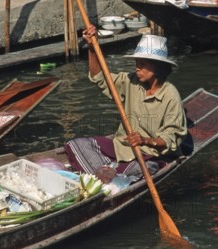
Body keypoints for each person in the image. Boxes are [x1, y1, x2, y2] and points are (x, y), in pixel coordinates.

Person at [64, 27, 188, 179]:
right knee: (76, 144)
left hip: (150, 155)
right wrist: (91, 47)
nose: (137, 68)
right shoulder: (131, 81)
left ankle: (107, 172)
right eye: (136, 63)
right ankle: (106, 172)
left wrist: (145, 141)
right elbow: (100, 77)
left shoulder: (170, 95)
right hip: (122, 147)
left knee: (143, 169)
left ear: (157, 66)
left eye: (142, 64)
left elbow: (170, 138)